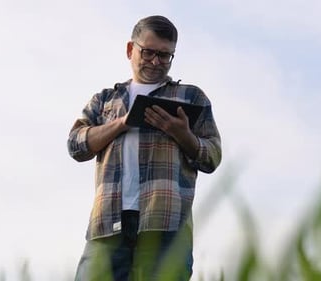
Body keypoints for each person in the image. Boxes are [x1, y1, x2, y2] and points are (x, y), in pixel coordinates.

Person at [68, 15, 222, 281]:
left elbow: (212, 156)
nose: (155, 62)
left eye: (165, 55)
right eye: (148, 52)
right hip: (108, 223)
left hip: (166, 223)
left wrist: (182, 134)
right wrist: (121, 124)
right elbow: (76, 145)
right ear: (131, 49)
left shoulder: (191, 97)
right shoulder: (106, 100)